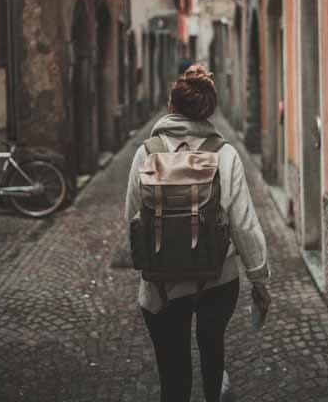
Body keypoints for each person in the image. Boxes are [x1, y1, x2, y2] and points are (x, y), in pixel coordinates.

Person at [125, 64, 270, 402]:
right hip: (217, 279)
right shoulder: (225, 153)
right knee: (212, 351)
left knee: (172, 373)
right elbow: (244, 223)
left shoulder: (146, 153)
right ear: (209, 109)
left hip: (161, 284)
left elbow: (132, 219)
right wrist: (259, 279)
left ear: (170, 106)